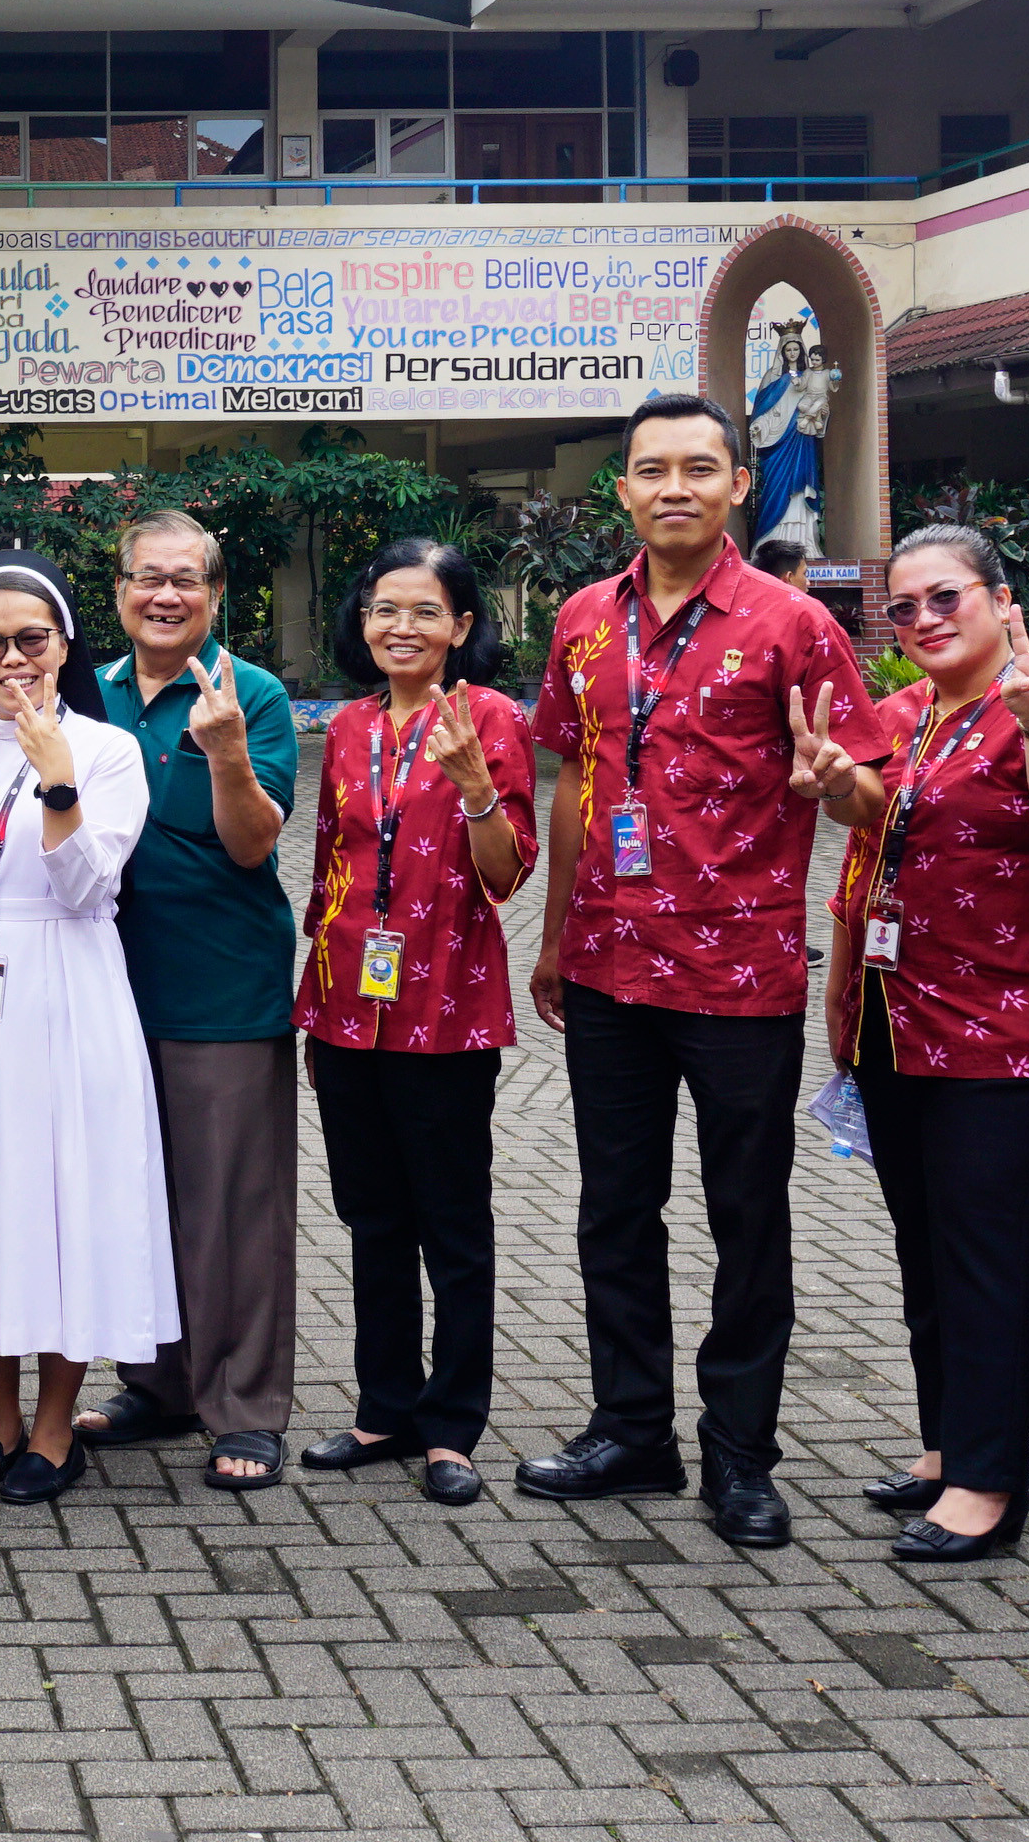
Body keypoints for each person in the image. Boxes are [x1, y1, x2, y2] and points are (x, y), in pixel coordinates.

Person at [519, 393, 872, 1548]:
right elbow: (571, 785)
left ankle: (739, 1455)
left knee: (745, 1218)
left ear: (735, 487)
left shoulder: (791, 625)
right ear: (620, 487)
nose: (673, 486)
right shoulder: (582, 619)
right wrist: (555, 931)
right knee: (614, 1212)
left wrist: (837, 786)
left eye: (698, 468)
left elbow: (866, 780)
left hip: (737, 976)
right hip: (613, 964)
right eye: (650, 468)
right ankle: (631, 1430)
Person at [784, 525, 1029, 1564]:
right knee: (928, 1250)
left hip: (1018, 1030)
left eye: (947, 600)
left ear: (997, 598)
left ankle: (988, 1481)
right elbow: (874, 811)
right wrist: (838, 782)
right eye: (905, 608)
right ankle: (946, 1447)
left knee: (993, 1256)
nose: (925, 621)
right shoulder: (902, 715)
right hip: (898, 1023)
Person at [0, 553, 175, 1506]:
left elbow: (92, 886)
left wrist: (57, 783)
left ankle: (57, 1425)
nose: (12, 660)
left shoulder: (107, 751)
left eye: (32, 640)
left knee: (62, 1200)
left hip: (68, 984)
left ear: (64, 646)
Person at [293, 539, 531, 1509]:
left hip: (446, 1013)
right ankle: (383, 1406)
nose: (401, 627)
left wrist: (475, 783)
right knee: (371, 1218)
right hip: (346, 1010)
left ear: (461, 628)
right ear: (362, 621)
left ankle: (450, 1426)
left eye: (424, 612)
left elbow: (506, 873)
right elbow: (326, 869)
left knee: (451, 1226)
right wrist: (312, 1001)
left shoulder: (494, 721)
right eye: (385, 608)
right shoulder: (346, 728)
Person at [73, 511, 300, 1492]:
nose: (164, 596)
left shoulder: (251, 693)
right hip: (102, 990)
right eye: (146, 578)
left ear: (213, 595)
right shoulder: (87, 694)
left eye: (185, 581)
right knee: (137, 1198)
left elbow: (254, 844)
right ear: (119, 591)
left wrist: (226, 751)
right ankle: (157, 1385)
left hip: (219, 992)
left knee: (232, 1211)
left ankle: (244, 1409)